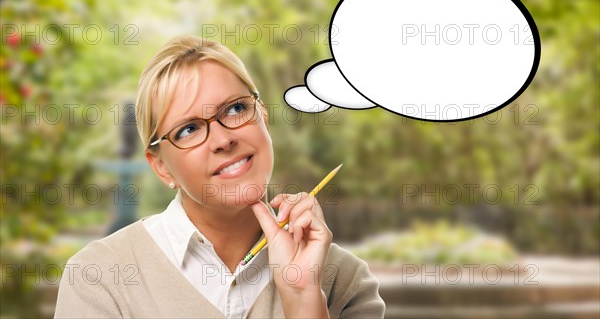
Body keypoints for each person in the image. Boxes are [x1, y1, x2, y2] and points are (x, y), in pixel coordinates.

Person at [54, 36, 385, 318]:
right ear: (161, 167)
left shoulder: (345, 281)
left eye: (236, 109)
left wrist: (303, 301)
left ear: (263, 119)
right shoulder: (99, 278)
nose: (224, 139)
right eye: (189, 129)